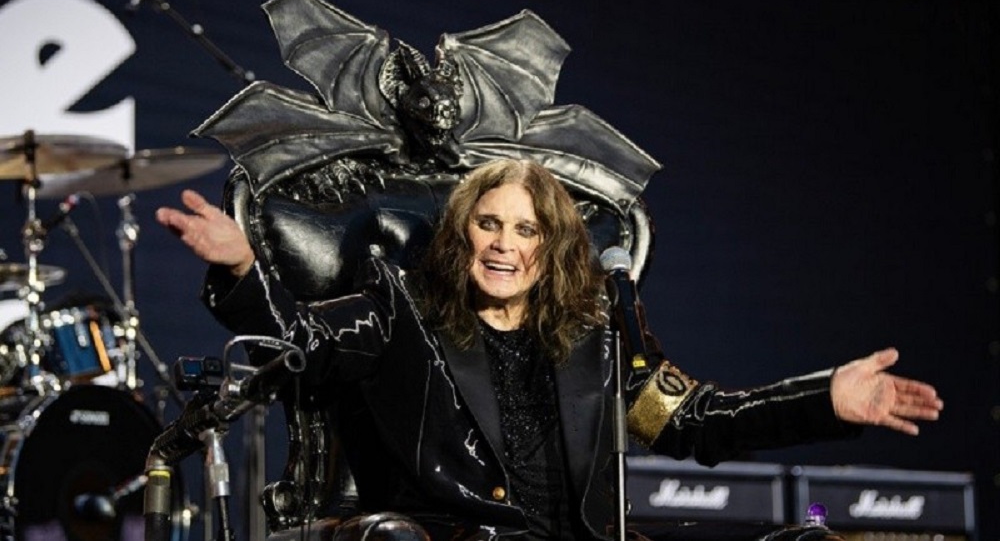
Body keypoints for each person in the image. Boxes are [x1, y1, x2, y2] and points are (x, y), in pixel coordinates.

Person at [156, 158, 942, 540]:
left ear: (552, 248)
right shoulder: (400, 312)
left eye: (526, 229)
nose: (505, 244)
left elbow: (690, 420)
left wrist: (825, 398)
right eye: (489, 224)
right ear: (462, 234)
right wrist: (244, 269)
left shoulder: (596, 336)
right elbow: (297, 345)